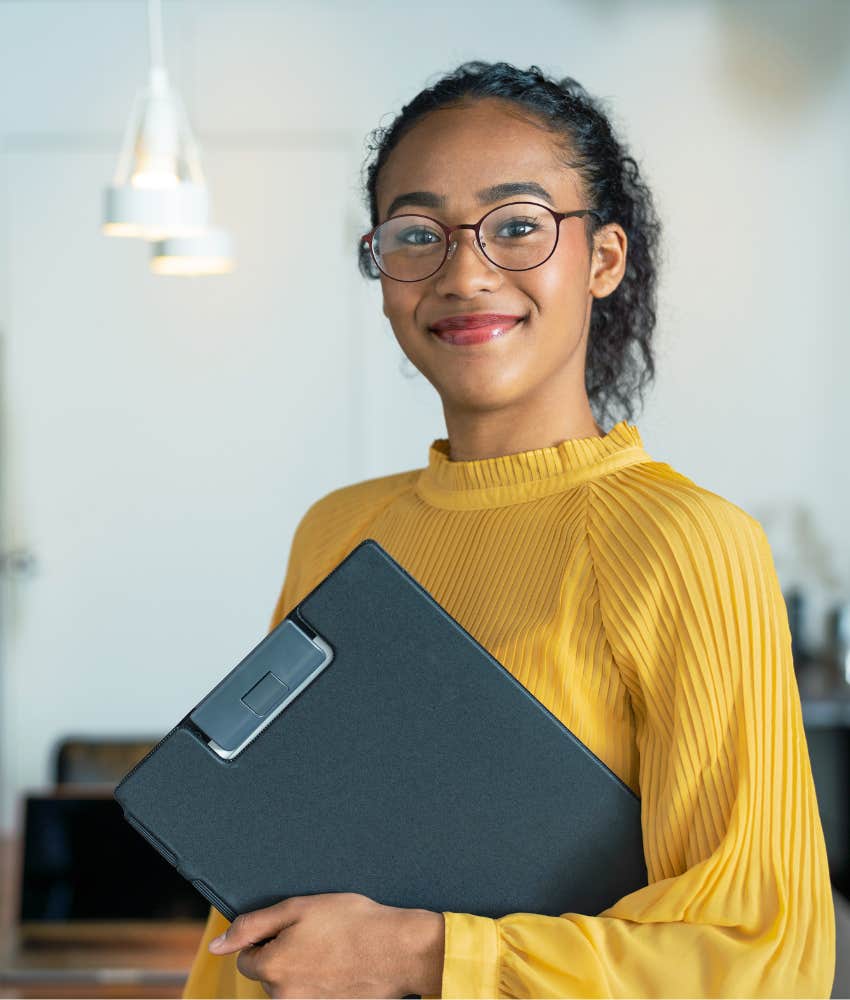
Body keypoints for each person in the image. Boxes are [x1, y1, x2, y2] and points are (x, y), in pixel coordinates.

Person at [182, 60, 835, 999]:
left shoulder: (688, 543)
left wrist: (424, 954)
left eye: (519, 226)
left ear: (604, 259)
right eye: (418, 234)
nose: (464, 273)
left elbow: (763, 958)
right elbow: (255, 896)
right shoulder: (339, 530)